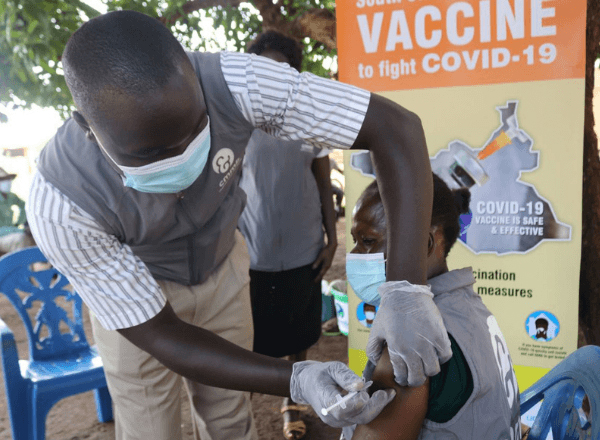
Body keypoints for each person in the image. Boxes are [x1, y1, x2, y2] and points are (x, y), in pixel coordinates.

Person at [26, 10, 448, 440]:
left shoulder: (242, 82)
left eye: (195, 131)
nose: (184, 162)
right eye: (149, 155)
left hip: (224, 264)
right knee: (149, 428)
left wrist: (405, 289)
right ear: (89, 130)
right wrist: (296, 379)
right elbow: (161, 333)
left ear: (194, 76)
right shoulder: (61, 204)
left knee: (230, 419)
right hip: (140, 288)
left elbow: (396, 127)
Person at [342, 174, 521, 439]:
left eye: (368, 241)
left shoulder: (410, 339)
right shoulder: (467, 307)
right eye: (355, 240)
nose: (355, 255)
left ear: (424, 243)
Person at [237, 31, 338, 440]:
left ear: (293, 72)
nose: (273, 75)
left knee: (300, 331)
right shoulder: (236, 121)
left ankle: (290, 403)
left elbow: (323, 182)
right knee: (251, 334)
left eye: (283, 67)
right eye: (265, 66)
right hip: (251, 250)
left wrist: (332, 240)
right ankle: (240, 409)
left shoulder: (308, 121)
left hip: (302, 246)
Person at [0, 167, 35, 256]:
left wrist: (21, 222)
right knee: (20, 238)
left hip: (10, 231)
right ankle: (24, 268)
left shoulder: (10, 196)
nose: (7, 182)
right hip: (2, 235)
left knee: (35, 237)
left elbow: (25, 206)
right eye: (3, 180)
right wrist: (18, 230)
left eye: (8, 179)